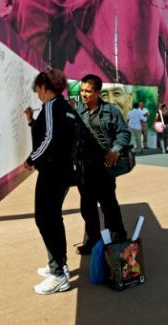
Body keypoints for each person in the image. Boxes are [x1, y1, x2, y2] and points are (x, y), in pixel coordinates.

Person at [23, 69, 77, 294]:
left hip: (53, 172)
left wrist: (32, 159)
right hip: (62, 172)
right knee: (52, 218)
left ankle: (58, 275)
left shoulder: (53, 106)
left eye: (37, 89)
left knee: (45, 220)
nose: (37, 94)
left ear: (44, 87)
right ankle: (59, 264)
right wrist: (31, 122)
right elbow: (51, 133)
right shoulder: (65, 107)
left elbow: (51, 139)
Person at [74, 73, 131, 255]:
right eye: (82, 90)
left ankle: (118, 237)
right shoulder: (78, 112)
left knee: (109, 205)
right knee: (88, 207)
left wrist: (115, 150)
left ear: (98, 92)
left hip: (105, 168)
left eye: (88, 91)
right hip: (84, 168)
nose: (84, 94)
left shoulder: (110, 111)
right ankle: (93, 240)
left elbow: (124, 133)